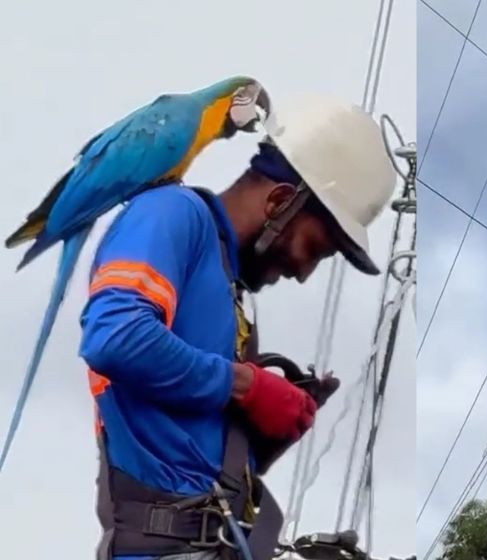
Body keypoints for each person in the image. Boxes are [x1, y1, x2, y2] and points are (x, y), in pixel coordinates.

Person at [79, 94, 397, 560]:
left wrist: (259, 434)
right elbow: (114, 336)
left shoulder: (226, 285)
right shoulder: (172, 214)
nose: (305, 271)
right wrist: (247, 386)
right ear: (280, 202)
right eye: (316, 247)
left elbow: (185, 441)